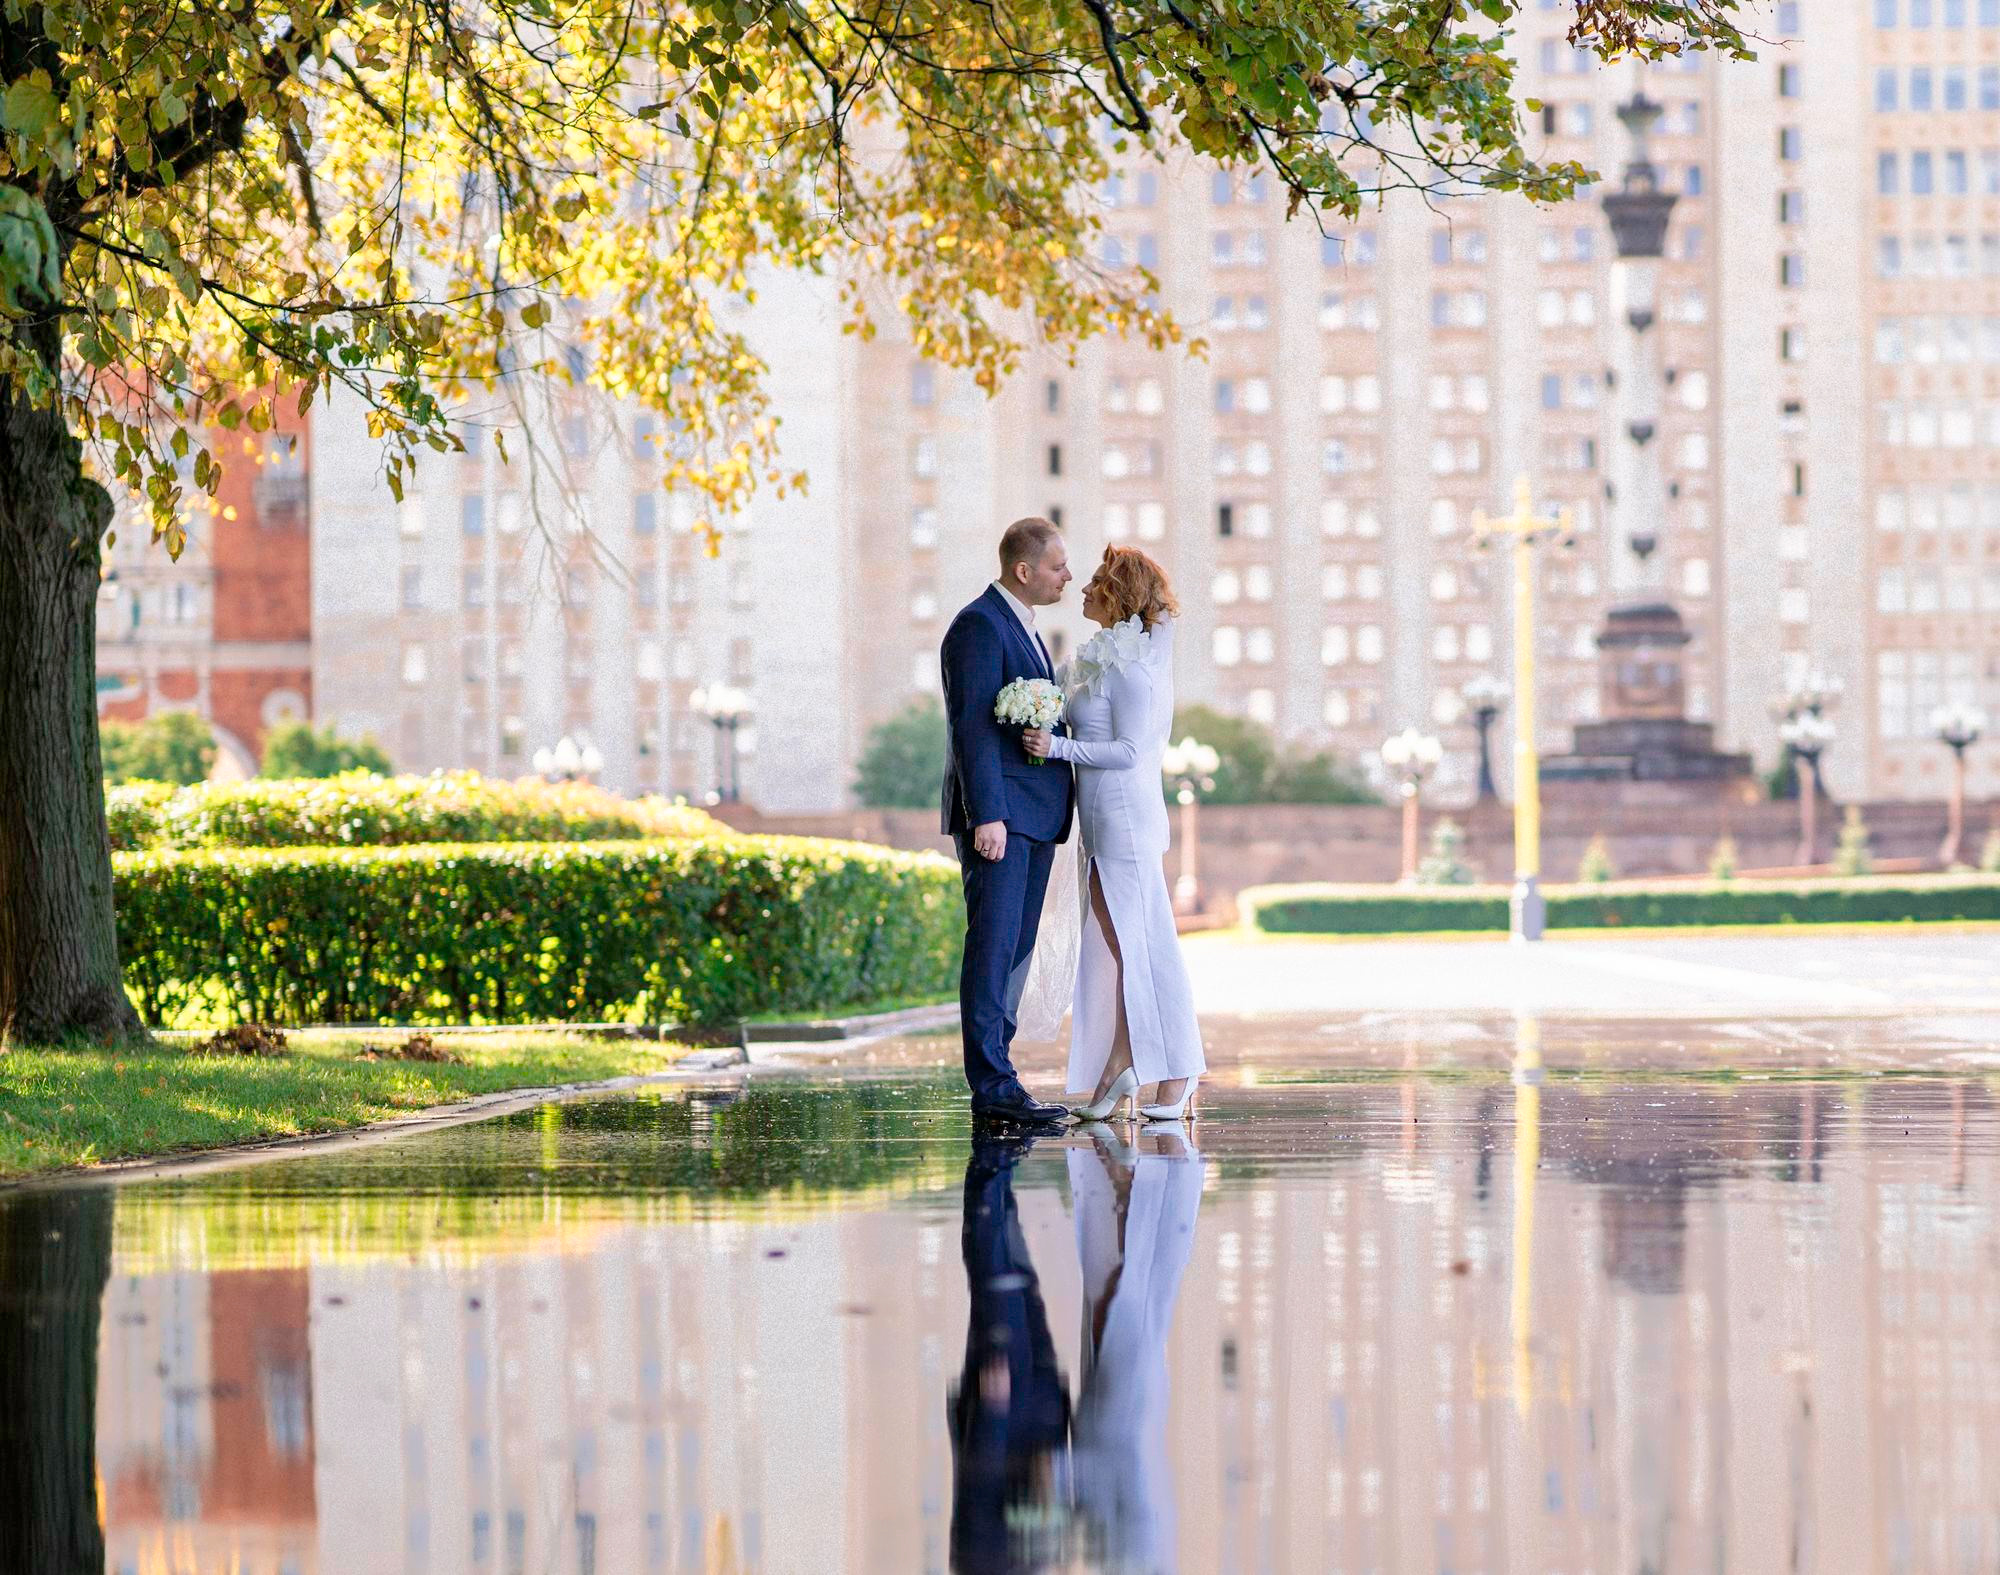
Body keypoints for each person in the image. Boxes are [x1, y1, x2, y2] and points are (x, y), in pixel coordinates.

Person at [1023, 546, 1205, 1123]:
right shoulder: (1100, 659)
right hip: (1099, 822)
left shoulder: (1133, 669)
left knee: (1143, 947)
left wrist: (1058, 747)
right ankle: (1123, 1061)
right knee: (1118, 945)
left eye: (1097, 581)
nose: (1083, 588)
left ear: (1119, 594)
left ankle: (1179, 1069)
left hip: (1127, 820)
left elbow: (1131, 751)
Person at [940, 517, 1077, 1126]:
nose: (1067, 576)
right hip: (1000, 821)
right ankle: (993, 1087)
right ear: (1024, 571)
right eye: (1057, 567)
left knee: (1016, 948)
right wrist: (986, 815)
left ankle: (1001, 1075)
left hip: (1035, 818)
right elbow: (971, 726)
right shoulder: (978, 625)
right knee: (993, 948)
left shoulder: (1025, 626)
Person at [1067, 1122, 1205, 1571]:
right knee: (1121, 1298)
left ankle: (1130, 1187)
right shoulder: (1137, 1543)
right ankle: (1132, 1188)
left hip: (1118, 1416)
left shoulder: (1133, 1539)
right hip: (1117, 1416)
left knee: (1121, 1297)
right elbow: (1097, 1469)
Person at [947, 1130, 1072, 1572]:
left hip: (1006, 1404)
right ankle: (998, 1172)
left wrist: (992, 1414)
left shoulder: (983, 1561)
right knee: (1018, 1279)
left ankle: (992, 1168)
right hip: (1037, 1407)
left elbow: (977, 1483)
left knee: (997, 1278)